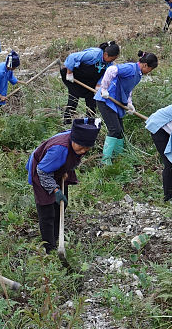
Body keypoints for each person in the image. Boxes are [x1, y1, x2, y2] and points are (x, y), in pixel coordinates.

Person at [26, 118, 100, 252]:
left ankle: (56, 236)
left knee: (61, 204)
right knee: (47, 211)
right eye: (81, 147)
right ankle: (49, 247)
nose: (83, 151)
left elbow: (73, 157)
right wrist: (55, 190)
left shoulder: (77, 140)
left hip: (56, 170)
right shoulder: (59, 149)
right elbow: (42, 171)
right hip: (42, 171)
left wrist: (65, 170)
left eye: (87, 148)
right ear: (73, 140)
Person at [95, 50, 159, 164]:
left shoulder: (138, 75)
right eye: (150, 69)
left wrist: (129, 103)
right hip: (106, 100)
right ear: (145, 65)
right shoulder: (130, 68)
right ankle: (105, 161)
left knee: (120, 131)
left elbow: (128, 89)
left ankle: (118, 157)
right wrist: (104, 88)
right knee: (115, 130)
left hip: (116, 103)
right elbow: (111, 70)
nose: (149, 72)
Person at [60, 41, 119, 125]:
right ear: (106, 54)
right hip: (76, 77)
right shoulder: (94, 54)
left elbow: (105, 75)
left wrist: (99, 85)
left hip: (90, 81)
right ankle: (67, 122)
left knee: (92, 102)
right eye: (112, 59)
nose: (112, 61)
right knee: (73, 98)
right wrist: (69, 73)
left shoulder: (109, 64)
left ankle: (90, 124)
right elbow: (72, 57)